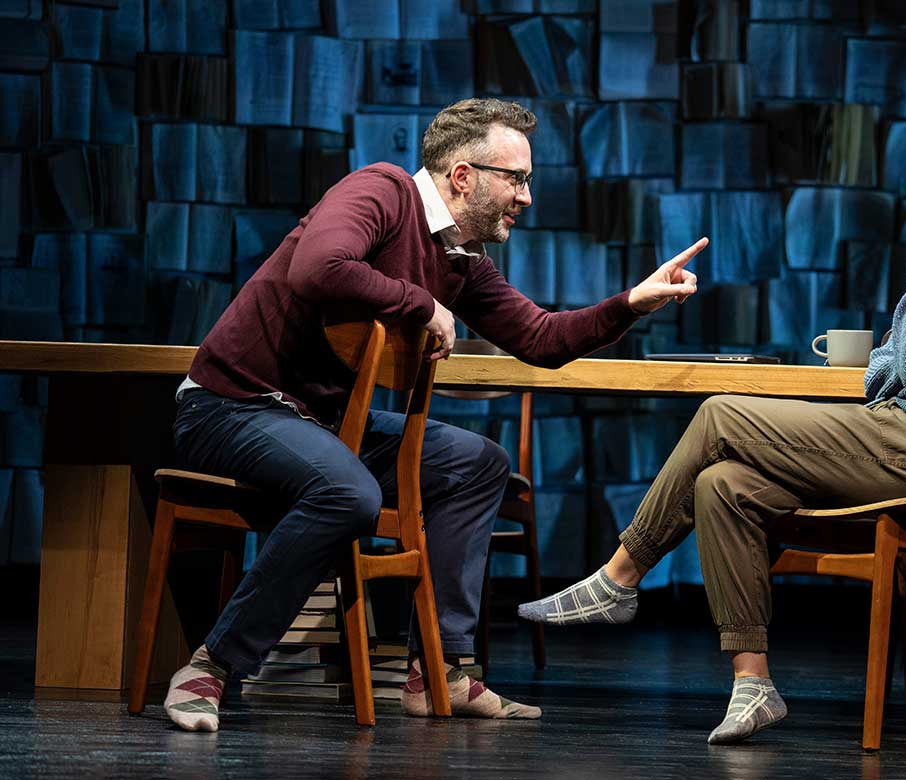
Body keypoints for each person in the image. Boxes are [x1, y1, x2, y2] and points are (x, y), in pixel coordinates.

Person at [519, 100, 906, 745]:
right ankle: (752, 684)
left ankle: (619, 577)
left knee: (722, 413)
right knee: (722, 484)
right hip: (899, 441)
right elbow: (883, 372)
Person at [162, 98, 708, 732]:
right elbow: (320, 267)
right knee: (348, 491)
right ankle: (214, 665)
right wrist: (420, 305)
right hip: (231, 406)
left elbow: (540, 339)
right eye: (517, 179)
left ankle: (441, 670)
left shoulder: (462, 260)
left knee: (477, 463)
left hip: (318, 426)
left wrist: (631, 303)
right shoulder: (381, 190)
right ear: (462, 176)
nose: (527, 197)